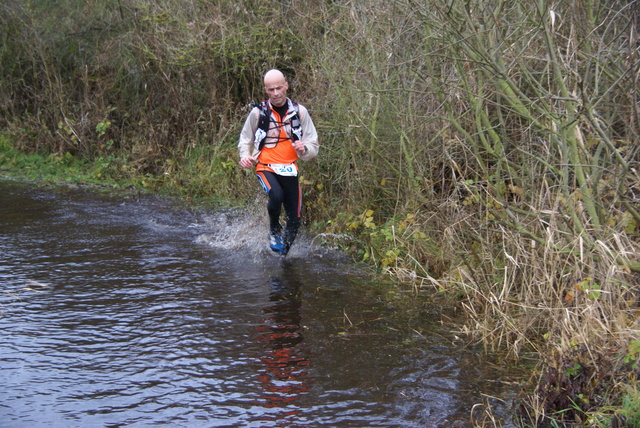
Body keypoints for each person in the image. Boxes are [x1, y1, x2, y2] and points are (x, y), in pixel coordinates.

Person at [238, 69, 319, 255]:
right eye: (271, 89)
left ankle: (283, 258)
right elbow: (245, 139)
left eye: (279, 88)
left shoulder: (300, 112)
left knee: (295, 218)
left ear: (286, 86)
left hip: (290, 169)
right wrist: (245, 156)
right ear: (266, 90)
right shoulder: (258, 113)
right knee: (276, 195)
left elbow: (313, 144)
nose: (276, 93)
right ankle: (274, 230)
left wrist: (304, 149)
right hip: (265, 166)